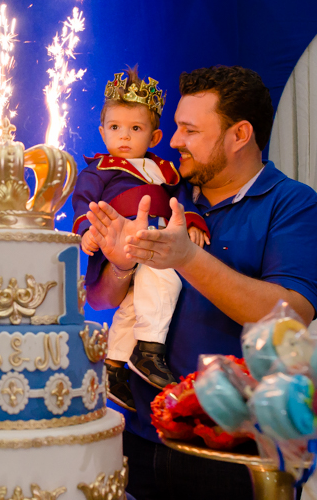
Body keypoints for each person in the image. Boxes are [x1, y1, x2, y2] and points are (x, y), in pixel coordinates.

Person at [84, 66, 317, 500]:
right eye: (177, 127)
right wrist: (120, 266)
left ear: (240, 135)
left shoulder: (293, 206)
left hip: (234, 450)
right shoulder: (164, 194)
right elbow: (100, 299)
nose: (174, 141)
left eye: (190, 130)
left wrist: (187, 258)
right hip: (138, 435)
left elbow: (289, 316)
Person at [71, 67, 209, 410]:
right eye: (115, 127)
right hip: (119, 243)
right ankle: (149, 350)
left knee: (136, 303)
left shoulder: (166, 172)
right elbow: (84, 203)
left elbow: (183, 200)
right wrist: (88, 232)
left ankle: (114, 366)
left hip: (157, 237)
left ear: (155, 136)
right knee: (165, 280)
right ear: (102, 131)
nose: (124, 136)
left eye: (136, 129)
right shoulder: (99, 170)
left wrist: (191, 223)